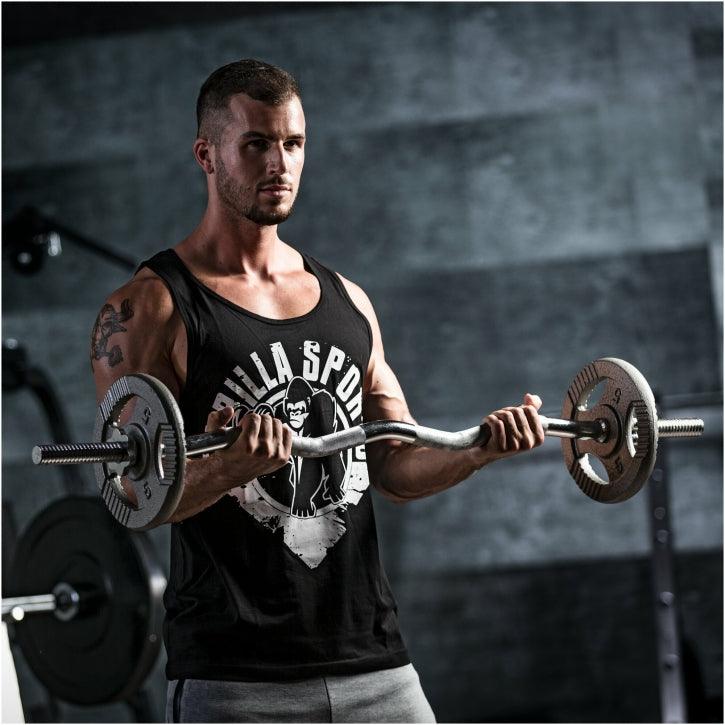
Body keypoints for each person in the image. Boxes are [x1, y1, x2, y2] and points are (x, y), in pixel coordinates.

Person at [90, 59, 545, 724]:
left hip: (376, 667)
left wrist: (475, 451)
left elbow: (394, 464)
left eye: (293, 143)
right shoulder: (148, 309)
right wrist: (232, 466)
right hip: (234, 681)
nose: (279, 164)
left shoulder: (347, 301)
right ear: (207, 155)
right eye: (256, 144)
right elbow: (133, 498)